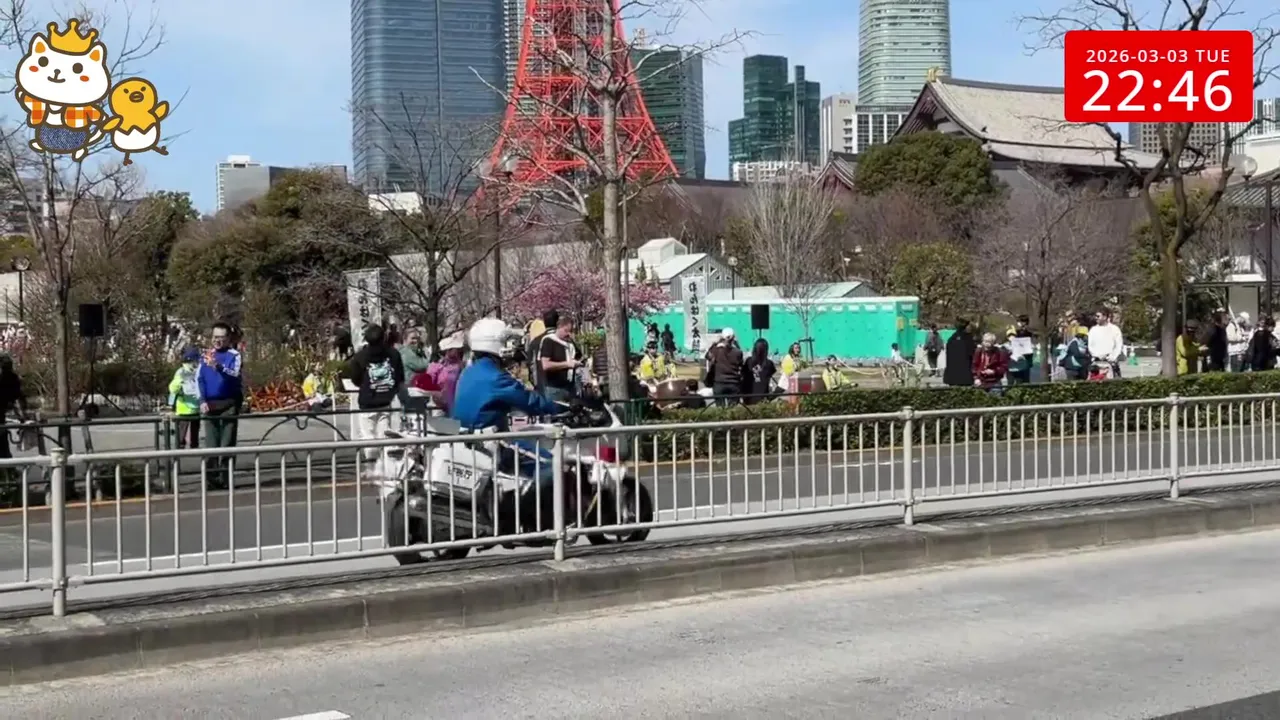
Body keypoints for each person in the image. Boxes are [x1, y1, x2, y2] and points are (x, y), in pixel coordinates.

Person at [450, 317, 566, 496]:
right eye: (506, 341)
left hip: (470, 439)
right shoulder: (496, 377)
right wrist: (562, 408)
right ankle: (532, 509)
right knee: (552, 464)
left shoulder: (469, 371)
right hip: (491, 441)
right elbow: (529, 400)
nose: (510, 347)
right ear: (494, 343)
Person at [345, 324, 405, 460]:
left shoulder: (360, 356)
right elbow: (399, 377)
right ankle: (384, 464)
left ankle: (372, 464)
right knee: (384, 435)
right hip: (386, 400)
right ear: (384, 337)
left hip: (367, 401)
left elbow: (355, 379)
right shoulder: (393, 354)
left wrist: (366, 385)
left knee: (368, 436)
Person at [198, 321, 243, 486]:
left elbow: (234, 374)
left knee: (227, 443)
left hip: (229, 403)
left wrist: (219, 367)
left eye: (221, 337)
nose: (217, 340)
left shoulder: (234, 355)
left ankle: (225, 478)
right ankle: (211, 479)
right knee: (211, 444)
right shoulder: (206, 355)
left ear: (228, 339)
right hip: (210, 404)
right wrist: (202, 400)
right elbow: (200, 379)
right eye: (215, 337)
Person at [538, 317, 580, 402]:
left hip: (570, 387)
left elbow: (579, 356)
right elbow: (545, 365)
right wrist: (567, 364)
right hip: (555, 388)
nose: (568, 334)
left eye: (571, 331)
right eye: (566, 330)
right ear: (559, 327)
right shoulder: (549, 341)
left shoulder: (570, 344)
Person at [167, 347, 202, 448]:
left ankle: (194, 449)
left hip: (196, 408)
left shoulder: (199, 371)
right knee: (181, 435)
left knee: (194, 436)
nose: (194, 364)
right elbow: (173, 389)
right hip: (183, 409)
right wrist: (180, 381)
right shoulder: (181, 372)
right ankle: (180, 450)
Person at [425, 333, 466, 413]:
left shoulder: (460, 365)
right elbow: (428, 386)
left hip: (456, 406)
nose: (459, 350)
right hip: (438, 407)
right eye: (456, 349)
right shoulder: (435, 366)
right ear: (448, 350)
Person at [704, 327, 744, 405]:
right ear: (733, 338)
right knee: (733, 408)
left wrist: (715, 343)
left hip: (719, 382)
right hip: (733, 383)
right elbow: (741, 363)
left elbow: (707, 355)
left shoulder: (716, 351)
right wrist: (737, 345)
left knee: (720, 407)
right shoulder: (738, 352)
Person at [0, 355, 28, 461]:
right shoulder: (11, 378)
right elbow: (17, 399)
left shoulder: (11, 378)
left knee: (3, 445)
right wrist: (23, 418)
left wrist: (23, 418)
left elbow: (17, 399)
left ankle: (7, 465)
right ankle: (7, 465)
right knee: (3, 446)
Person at [1088, 309, 1124, 378]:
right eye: (1095, 316)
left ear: (1104, 317)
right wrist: (1097, 355)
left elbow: (1119, 345)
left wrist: (1112, 357)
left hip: (1110, 362)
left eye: (1098, 316)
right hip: (1096, 362)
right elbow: (1090, 346)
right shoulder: (1093, 330)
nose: (1096, 318)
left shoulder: (1114, 329)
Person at [526, 310, 558, 389]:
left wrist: (535, 383)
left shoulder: (535, 342)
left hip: (542, 386)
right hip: (564, 387)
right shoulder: (567, 340)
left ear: (544, 323)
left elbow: (530, 364)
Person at [740, 338, 775, 404]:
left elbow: (743, 375)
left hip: (748, 395)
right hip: (763, 396)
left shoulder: (748, 361)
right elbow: (771, 376)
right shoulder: (769, 364)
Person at [943, 319, 975, 388]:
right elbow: (972, 354)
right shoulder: (968, 339)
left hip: (952, 377)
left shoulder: (951, 339)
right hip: (965, 376)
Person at [1006, 315, 1034, 385]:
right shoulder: (1014, 332)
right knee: (1011, 381)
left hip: (1025, 359)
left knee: (1024, 381)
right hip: (1014, 360)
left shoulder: (1030, 333)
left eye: (1024, 322)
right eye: (1020, 322)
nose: (1022, 324)